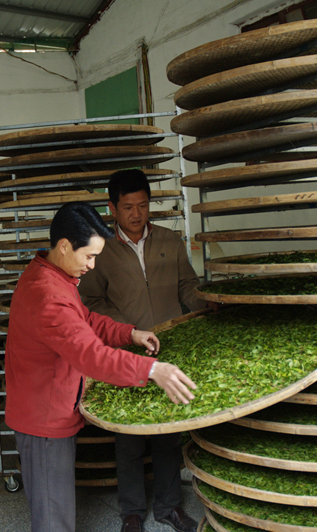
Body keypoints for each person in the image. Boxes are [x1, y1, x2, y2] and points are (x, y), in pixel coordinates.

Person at [5, 201, 198, 532]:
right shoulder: (48, 295)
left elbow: (85, 320)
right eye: (89, 256)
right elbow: (92, 356)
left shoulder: (51, 273)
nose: (92, 266)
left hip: (47, 406)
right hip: (43, 418)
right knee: (53, 519)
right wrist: (153, 370)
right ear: (65, 246)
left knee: (55, 509)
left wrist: (128, 333)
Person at [78, 169, 207, 532]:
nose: (137, 214)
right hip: (125, 353)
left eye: (143, 205)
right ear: (112, 209)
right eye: (128, 207)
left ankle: (169, 508)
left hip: (168, 351)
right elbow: (91, 302)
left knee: (168, 433)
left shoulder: (169, 240)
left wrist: (207, 303)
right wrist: (129, 331)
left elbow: (187, 286)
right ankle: (131, 512)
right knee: (129, 438)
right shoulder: (100, 251)